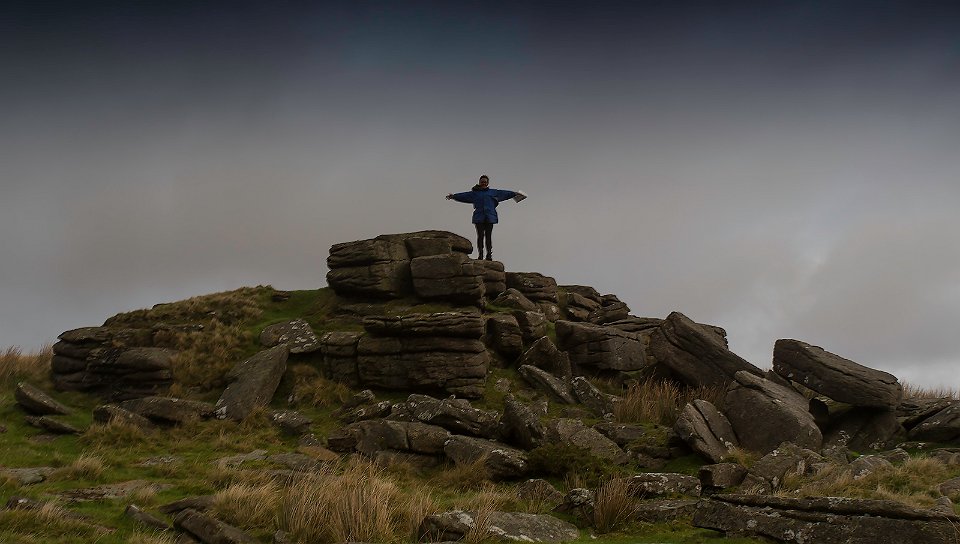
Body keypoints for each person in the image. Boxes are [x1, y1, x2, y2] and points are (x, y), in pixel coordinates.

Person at [446, 175, 518, 261]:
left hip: (490, 217)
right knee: (480, 236)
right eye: (482, 181)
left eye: (485, 182)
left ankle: (489, 255)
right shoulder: (474, 193)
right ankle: (480, 255)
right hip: (479, 217)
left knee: (488, 236)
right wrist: (453, 196)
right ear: (479, 183)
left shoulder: (493, 192)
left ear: (487, 183)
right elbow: (464, 195)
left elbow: (504, 193)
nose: (483, 183)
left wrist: (514, 193)